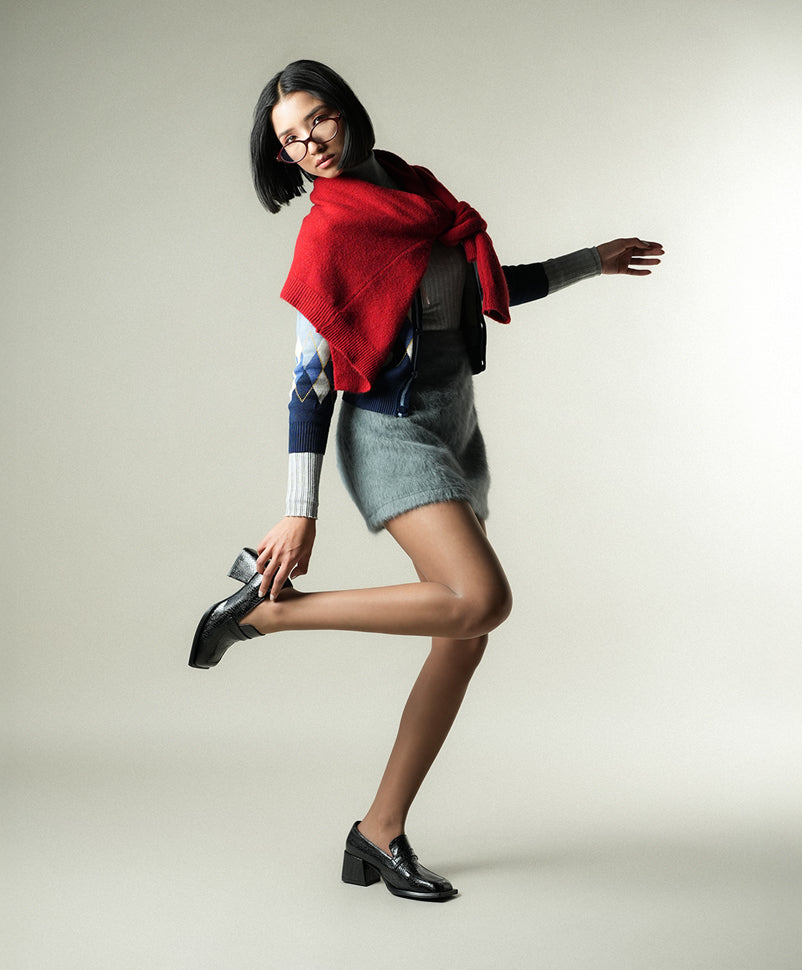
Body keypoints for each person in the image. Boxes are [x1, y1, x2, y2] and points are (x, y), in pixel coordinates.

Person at [189, 59, 664, 902]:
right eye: (290, 139)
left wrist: (592, 261)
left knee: (463, 635)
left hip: (453, 424)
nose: (309, 144)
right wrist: (298, 512)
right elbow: (309, 382)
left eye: (317, 121)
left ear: (346, 112)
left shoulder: (413, 190)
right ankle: (267, 613)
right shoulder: (328, 234)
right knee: (482, 599)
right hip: (389, 432)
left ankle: (377, 834)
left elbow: (482, 288)